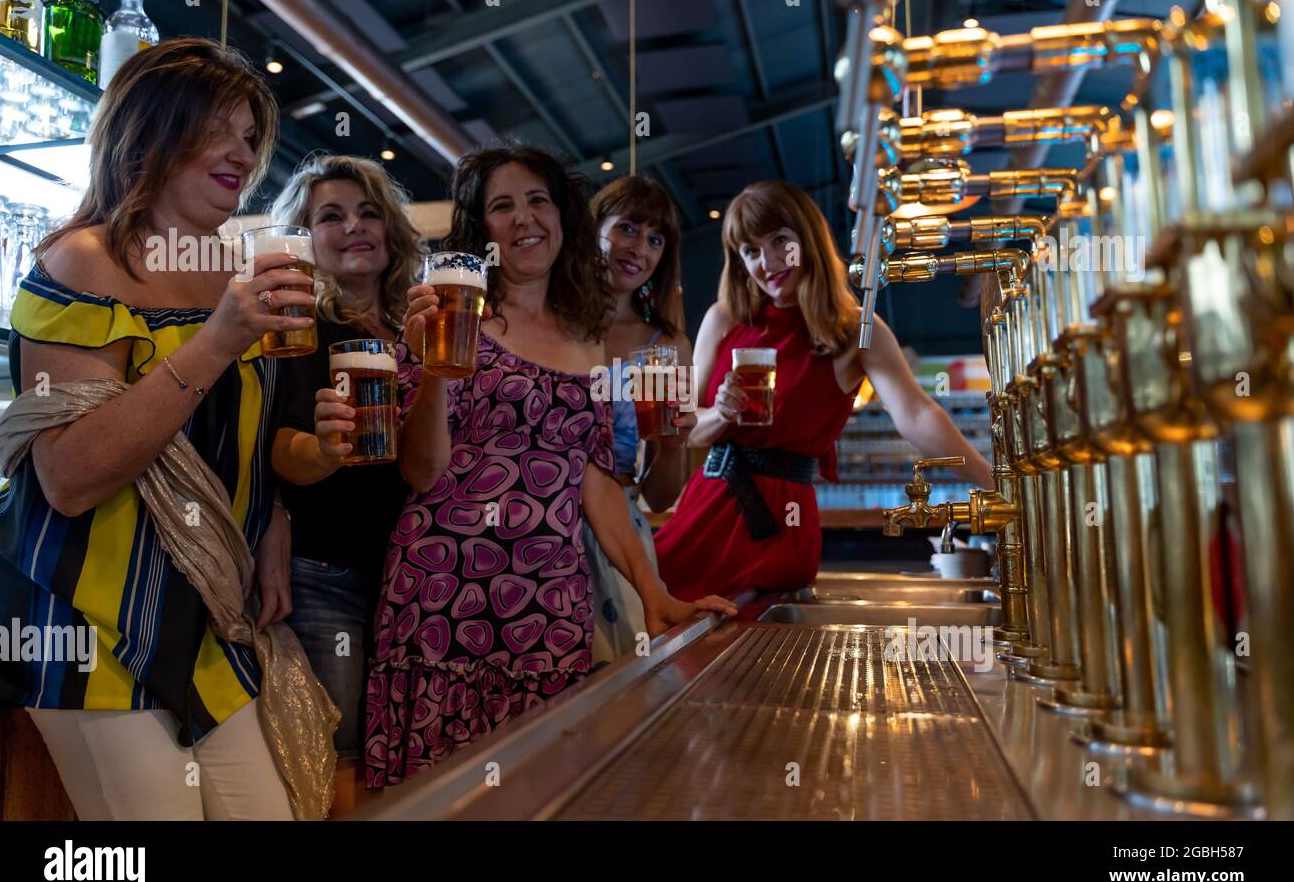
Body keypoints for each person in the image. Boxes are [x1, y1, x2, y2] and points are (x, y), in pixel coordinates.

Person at [0, 38, 336, 819]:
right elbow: (70, 479)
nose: (242, 154)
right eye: (218, 128)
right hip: (90, 628)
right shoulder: (83, 262)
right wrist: (218, 341)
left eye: (251, 136)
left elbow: (236, 438)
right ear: (148, 133)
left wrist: (278, 509)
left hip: (214, 624)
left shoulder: (239, 270)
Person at [364, 143, 737, 785]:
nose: (524, 218)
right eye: (501, 206)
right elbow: (420, 473)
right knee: (436, 794)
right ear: (483, 229)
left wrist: (654, 594)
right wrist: (429, 370)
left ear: (563, 216)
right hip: (441, 595)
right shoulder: (448, 315)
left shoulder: (585, 334)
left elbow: (595, 482)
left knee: (544, 788)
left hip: (551, 604)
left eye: (537, 200)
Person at [654, 180, 994, 601]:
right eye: (751, 251)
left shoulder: (855, 330)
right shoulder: (724, 317)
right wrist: (721, 414)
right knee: (667, 640)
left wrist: (996, 485)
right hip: (705, 510)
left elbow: (918, 416)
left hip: (783, 524)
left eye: (779, 240)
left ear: (808, 238)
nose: (768, 261)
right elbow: (686, 428)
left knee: (756, 651)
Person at [266, 154, 419, 814]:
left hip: (415, 577)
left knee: (403, 752)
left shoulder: (425, 331)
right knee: (342, 759)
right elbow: (276, 449)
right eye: (330, 216)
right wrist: (328, 452)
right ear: (304, 240)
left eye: (368, 212)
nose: (354, 227)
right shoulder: (300, 327)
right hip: (327, 572)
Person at [583, 176, 693, 663]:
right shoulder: (551, 323)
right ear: (594, 230)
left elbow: (660, 496)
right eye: (626, 228)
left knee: (619, 691)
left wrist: (673, 446)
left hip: (620, 535)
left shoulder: (663, 347)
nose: (640, 249)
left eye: (655, 238)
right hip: (536, 519)